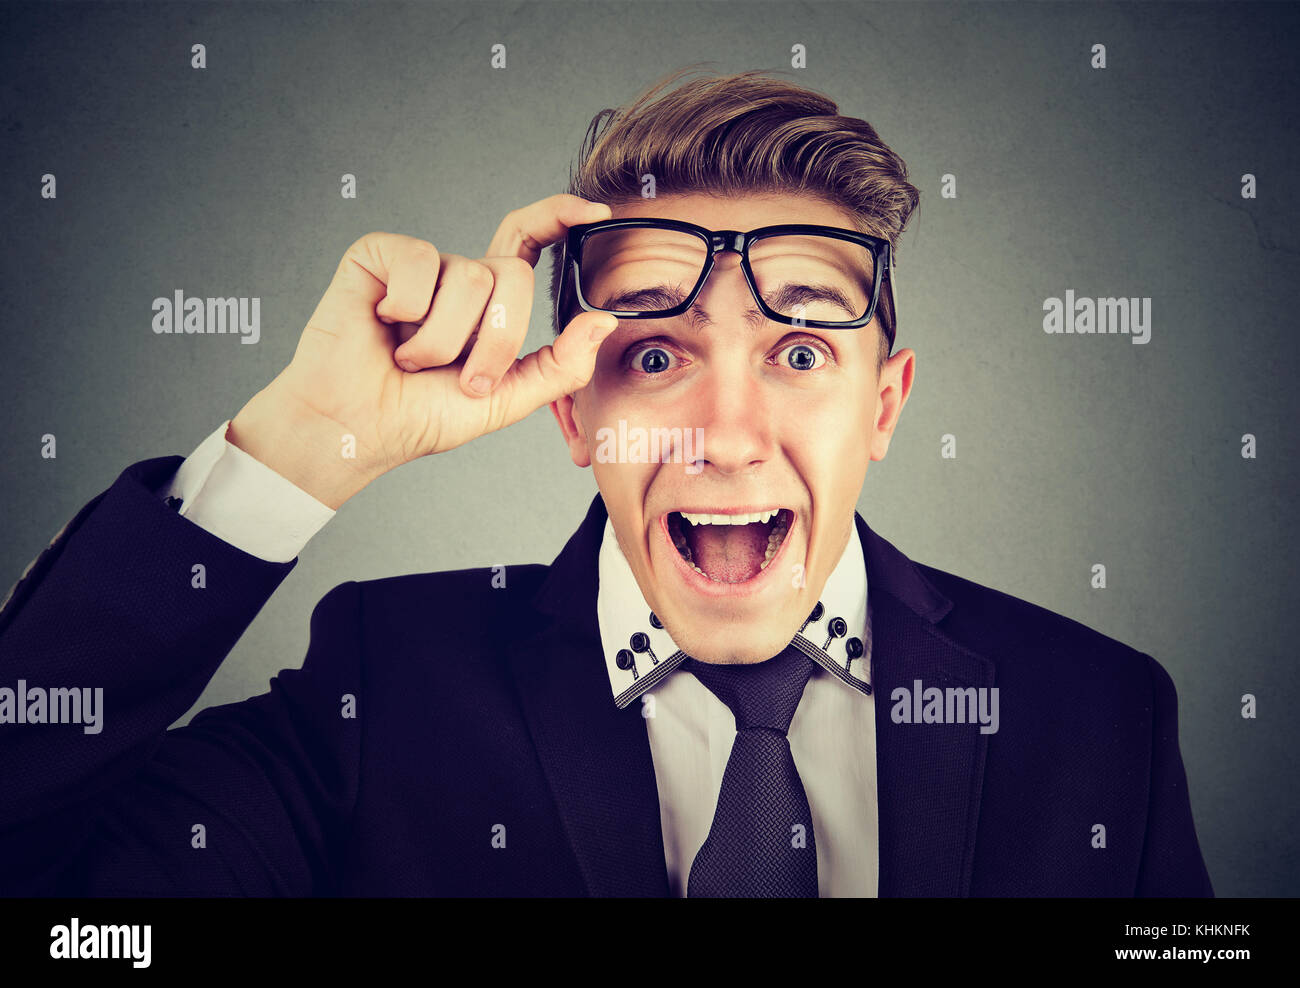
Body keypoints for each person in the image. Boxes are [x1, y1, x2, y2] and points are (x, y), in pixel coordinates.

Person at [0, 69, 1212, 897]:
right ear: (571, 406)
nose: (727, 436)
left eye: (799, 351)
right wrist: (303, 446)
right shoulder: (387, 688)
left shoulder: (1098, 717)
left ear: (883, 404)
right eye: (651, 351)